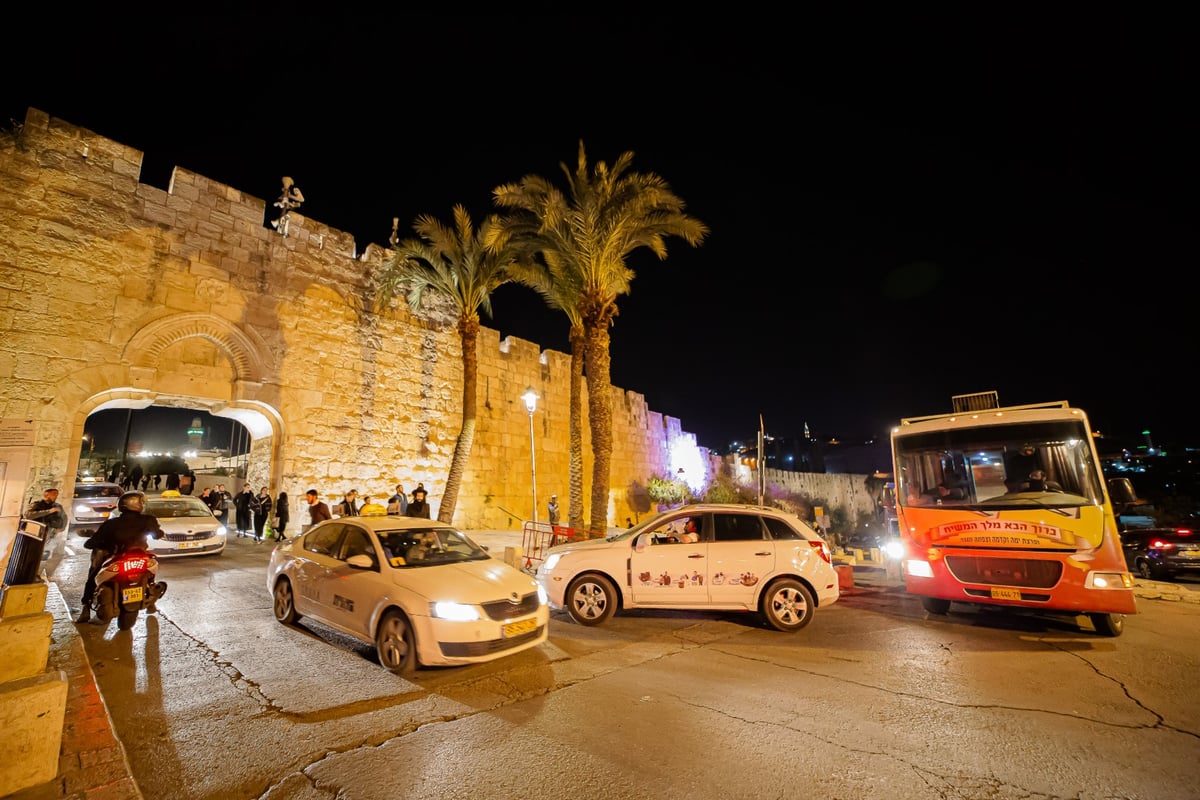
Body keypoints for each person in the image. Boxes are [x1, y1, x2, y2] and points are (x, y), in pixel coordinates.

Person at [77, 491, 164, 623]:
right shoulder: (148, 520)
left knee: (93, 576)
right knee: (151, 570)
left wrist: (91, 543)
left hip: (116, 556)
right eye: (141, 502)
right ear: (136, 504)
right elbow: (157, 534)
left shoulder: (111, 523)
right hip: (139, 556)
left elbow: (92, 542)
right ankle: (151, 599)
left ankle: (86, 607)